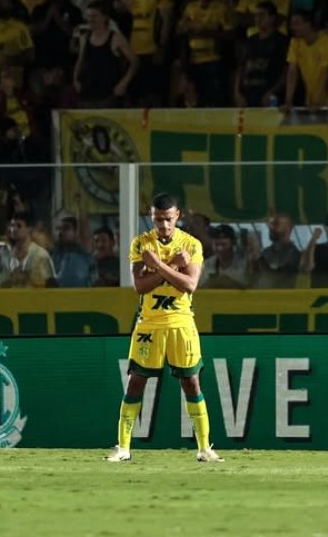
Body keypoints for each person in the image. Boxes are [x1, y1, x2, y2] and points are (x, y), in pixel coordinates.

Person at [108, 193, 221, 463]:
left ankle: (205, 448)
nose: (164, 226)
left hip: (181, 322)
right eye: (158, 220)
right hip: (149, 322)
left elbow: (189, 285)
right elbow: (140, 286)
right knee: (135, 382)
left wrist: (157, 265)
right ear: (152, 217)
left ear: (177, 216)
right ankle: (123, 447)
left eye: (168, 220)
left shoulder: (191, 245)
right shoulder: (141, 244)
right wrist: (171, 265)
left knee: (191, 382)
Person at [0, 213, 55, 288]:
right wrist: (11, 278)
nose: (13, 229)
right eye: (12, 225)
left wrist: (28, 277)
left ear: (29, 229)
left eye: (19, 226)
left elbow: (51, 285)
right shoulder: (5, 255)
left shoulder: (40, 255)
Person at [51, 215, 96, 288]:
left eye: (66, 228)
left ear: (76, 232)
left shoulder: (84, 252)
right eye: (60, 229)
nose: (61, 232)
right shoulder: (54, 255)